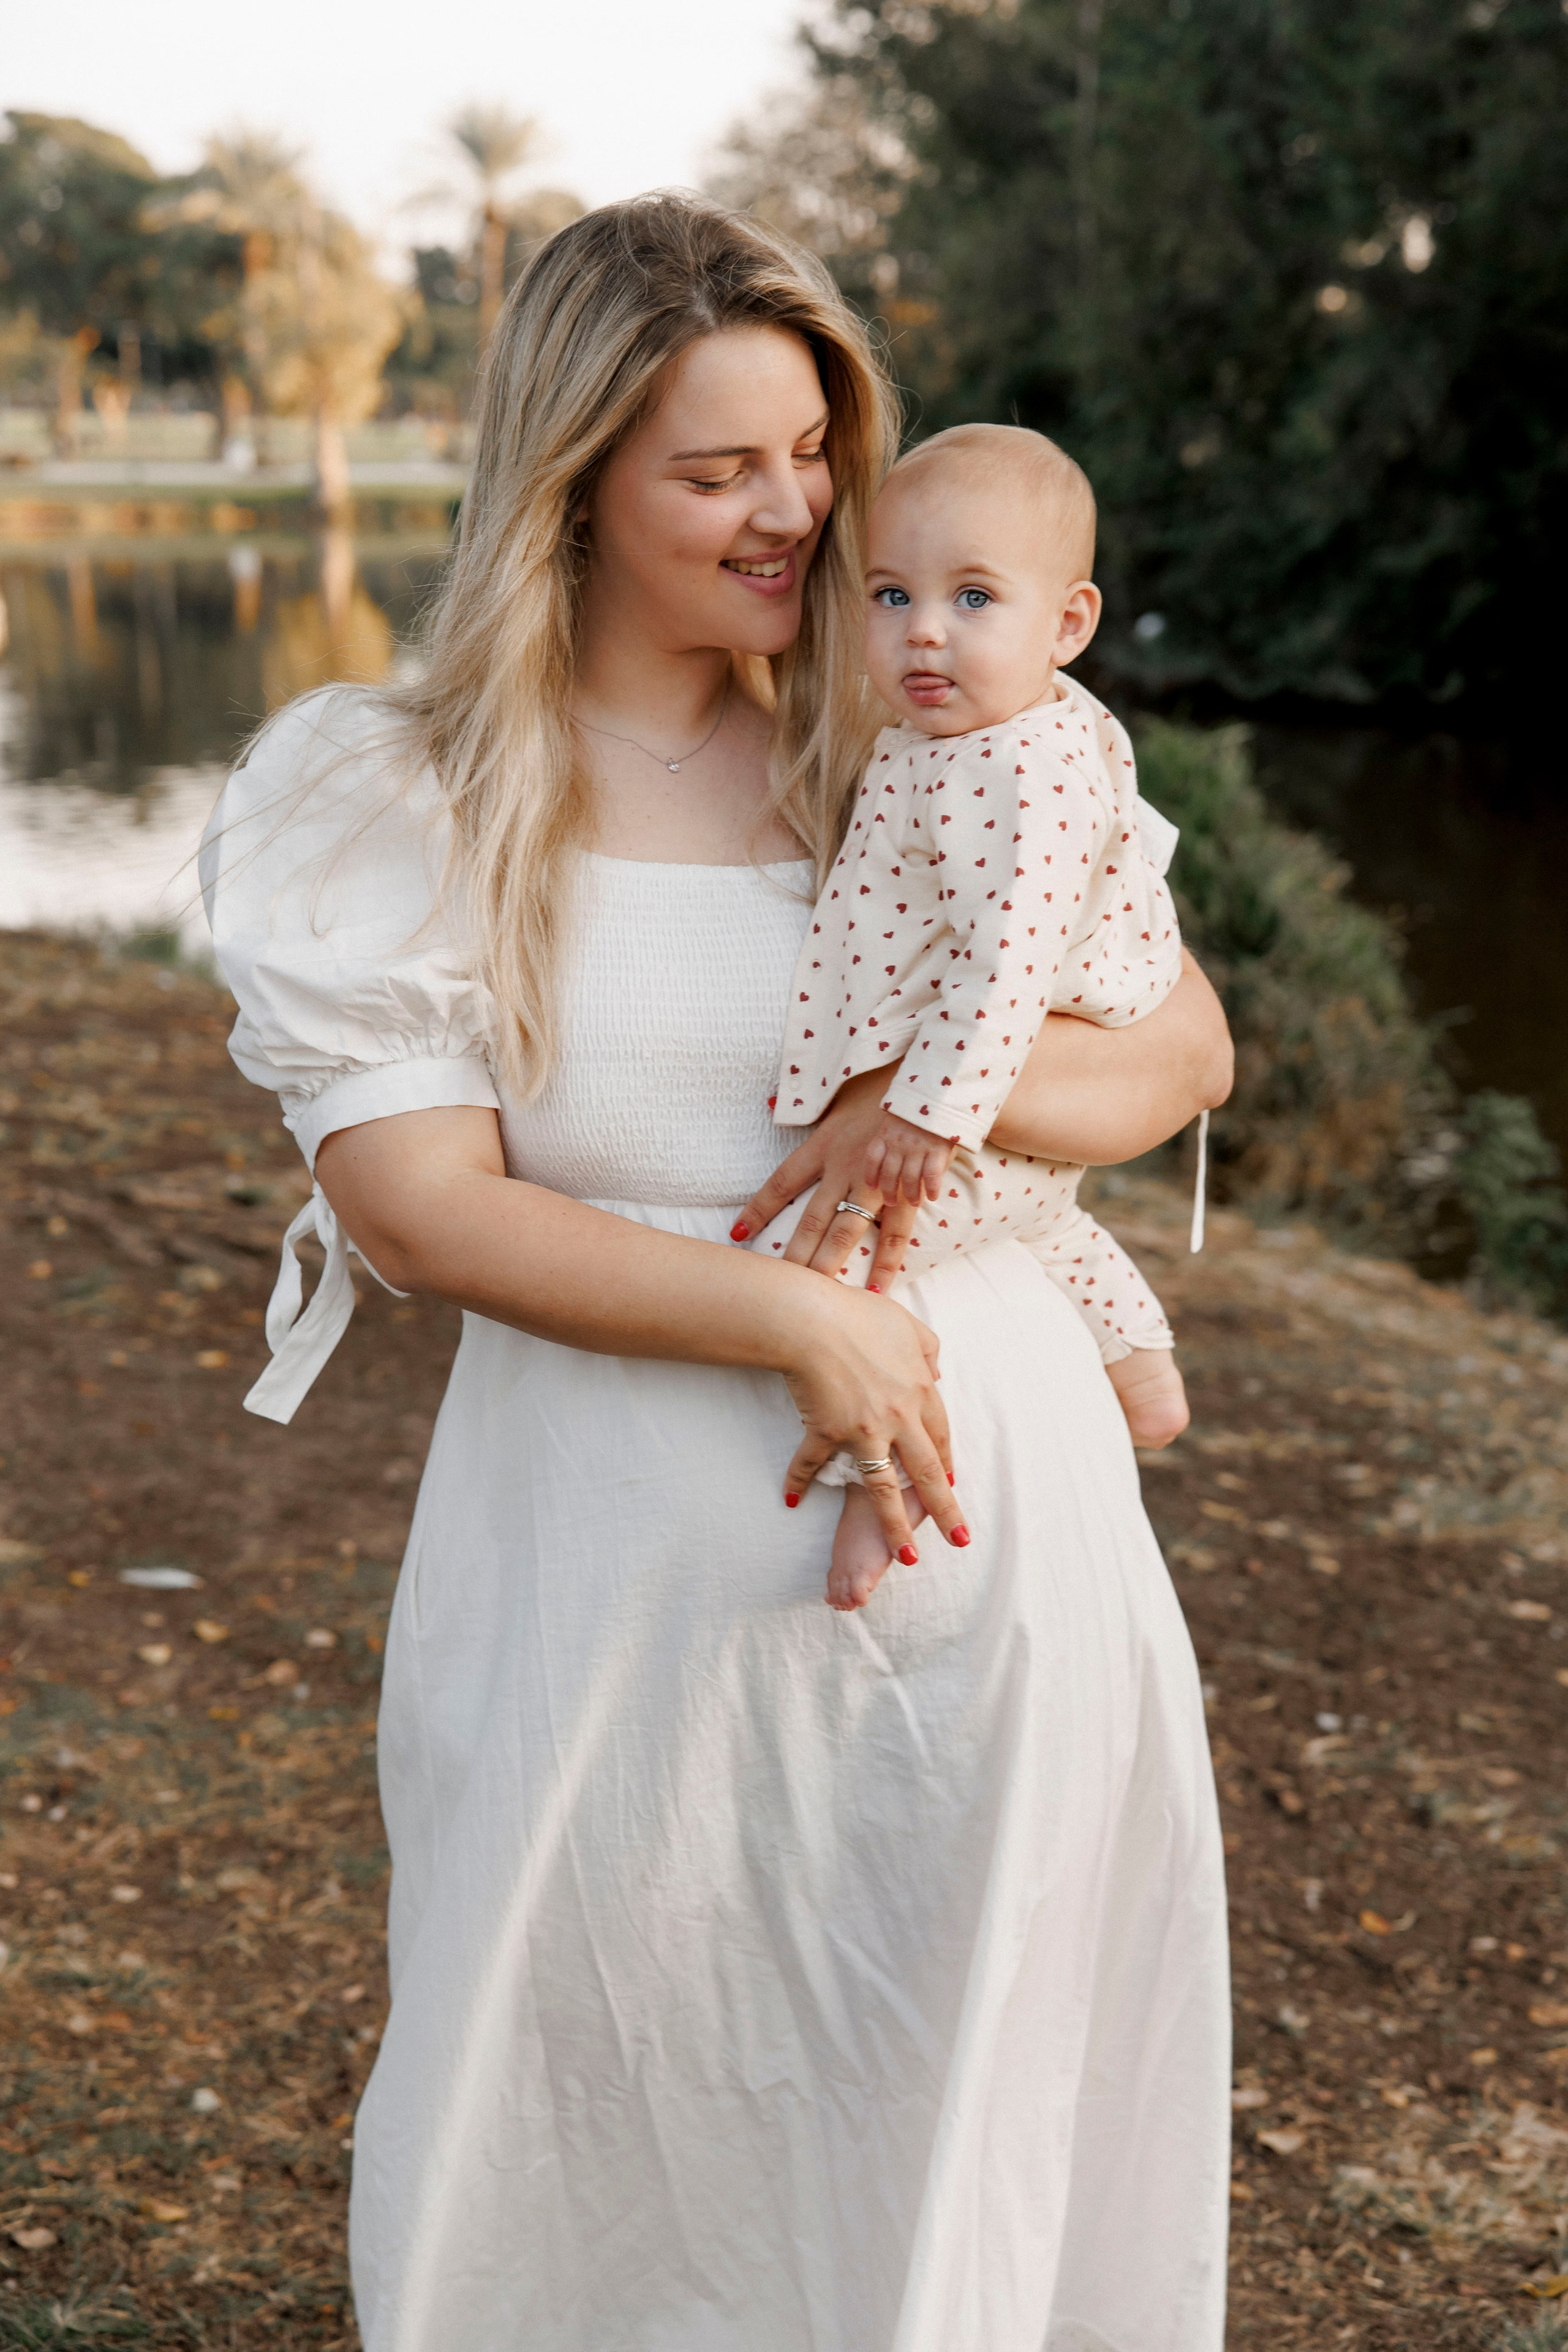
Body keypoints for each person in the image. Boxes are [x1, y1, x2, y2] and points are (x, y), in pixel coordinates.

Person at [202, 194, 1235, 2352]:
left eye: (814, 454)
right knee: (595, 2086)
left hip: (996, 1555)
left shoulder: (935, 725)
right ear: (574, 481)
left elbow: (1181, 1056)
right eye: (717, 470)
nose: (795, 514)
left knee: (950, 2097)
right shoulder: (403, 782)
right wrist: (796, 1312)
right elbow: (415, 1203)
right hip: (611, 1587)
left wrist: (907, 1100)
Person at [747, 421, 1191, 1613]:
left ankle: (876, 1478)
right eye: (891, 595)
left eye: (974, 598)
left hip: (975, 1100)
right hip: (999, 1115)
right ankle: (1142, 1367)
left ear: (1069, 624)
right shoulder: (953, 738)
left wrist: (921, 1115)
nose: (924, 631)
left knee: (841, 1264)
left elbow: (1008, 963)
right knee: (1049, 1220)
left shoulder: (1029, 768)